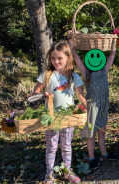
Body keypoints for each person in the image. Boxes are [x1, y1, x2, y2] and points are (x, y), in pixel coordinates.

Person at [31, 41, 86, 184]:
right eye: (53, 58)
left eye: (59, 58)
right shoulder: (47, 75)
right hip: (51, 118)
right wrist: (44, 95)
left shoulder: (74, 77)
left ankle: (67, 170)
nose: (56, 61)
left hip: (68, 117)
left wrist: (86, 106)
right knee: (51, 147)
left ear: (68, 57)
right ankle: (49, 174)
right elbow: (34, 93)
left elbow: (80, 97)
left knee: (67, 146)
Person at [67, 32, 118, 170]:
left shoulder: (104, 70)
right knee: (91, 132)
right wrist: (71, 45)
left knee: (102, 130)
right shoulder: (86, 72)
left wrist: (114, 43)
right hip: (92, 106)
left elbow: (112, 56)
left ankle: (104, 154)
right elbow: (76, 58)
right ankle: (91, 158)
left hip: (103, 105)